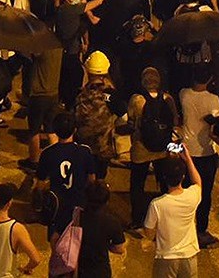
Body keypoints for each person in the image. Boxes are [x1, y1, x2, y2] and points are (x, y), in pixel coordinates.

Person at [128, 66, 179, 229]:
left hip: (141, 150)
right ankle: (165, 217)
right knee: (164, 183)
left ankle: (137, 219)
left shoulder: (137, 100)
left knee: (137, 184)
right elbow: (175, 121)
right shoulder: (168, 99)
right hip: (162, 149)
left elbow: (130, 122)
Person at [34, 111, 96, 239]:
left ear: (55, 131)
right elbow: (92, 180)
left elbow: (40, 184)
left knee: (55, 239)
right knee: (77, 240)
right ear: (74, 130)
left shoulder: (47, 153)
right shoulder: (84, 151)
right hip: (79, 204)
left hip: (57, 204)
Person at [179, 62, 219, 246]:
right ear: (210, 78)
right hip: (206, 151)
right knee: (205, 193)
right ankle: (201, 230)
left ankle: (183, 228)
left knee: (184, 191)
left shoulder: (183, 94)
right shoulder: (214, 99)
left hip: (187, 150)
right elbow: (216, 121)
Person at [143, 147, 202, 277]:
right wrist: (188, 159)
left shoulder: (157, 204)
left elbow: (149, 232)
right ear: (183, 176)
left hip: (166, 258)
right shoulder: (193, 195)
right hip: (189, 255)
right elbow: (198, 181)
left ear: (164, 177)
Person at [74, 51, 118, 179]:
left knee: (86, 173)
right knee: (101, 174)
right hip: (104, 144)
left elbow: (76, 116)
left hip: (85, 144)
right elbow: (122, 115)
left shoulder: (82, 94)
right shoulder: (111, 93)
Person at [22, 45, 62, 170]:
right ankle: (56, 160)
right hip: (54, 93)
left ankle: (34, 160)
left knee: (34, 130)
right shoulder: (58, 47)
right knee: (51, 130)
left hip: (39, 94)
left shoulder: (41, 48)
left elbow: (27, 53)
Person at [77, 180, 125, 278]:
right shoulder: (112, 222)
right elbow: (119, 249)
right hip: (100, 271)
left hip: (78, 268)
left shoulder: (76, 217)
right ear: (106, 201)